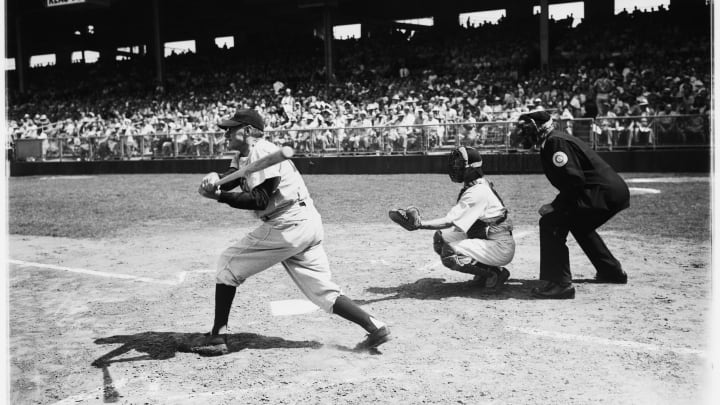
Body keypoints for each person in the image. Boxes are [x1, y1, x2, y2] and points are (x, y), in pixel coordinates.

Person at [192, 108, 391, 355]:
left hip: (287, 223)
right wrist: (215, 178)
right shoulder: (245, 155)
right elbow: (233, 176)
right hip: (305, 222)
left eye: (231, 129)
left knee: (227, 266)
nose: (226, 134)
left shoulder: (263, 151)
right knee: (322, 291)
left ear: (247, 131)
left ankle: (217, 337)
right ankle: (375, 326)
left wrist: (220, 196)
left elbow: (260, 199)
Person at [517, 110, 630, 299]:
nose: (523, 134)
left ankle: (560, 284)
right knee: (580, 225)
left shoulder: (555, 142)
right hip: (606, 192)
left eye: (526, 129)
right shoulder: (551, 141)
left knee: (551, 222)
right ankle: (611, 271)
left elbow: (574, 179)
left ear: (539, 128)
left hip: (601, 193)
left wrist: (555, 205)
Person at [390, 146, 515, 287]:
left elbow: (450, 221)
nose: (455, 167)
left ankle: (495, 274)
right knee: (440, 239)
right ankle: (486, 270)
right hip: (487, 238)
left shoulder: (477, 191)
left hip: (499, 246)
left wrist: (419, 224)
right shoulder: (476, 184)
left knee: (450, 254)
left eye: (459, 163)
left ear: (472, 167)